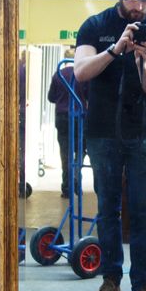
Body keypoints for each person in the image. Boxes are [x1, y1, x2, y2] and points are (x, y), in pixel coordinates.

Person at [74, 0, 146, 291]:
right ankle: (110, 283)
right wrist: (116, 49)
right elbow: (81, 72)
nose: (140, 6)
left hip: (144, 133)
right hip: (102, 132)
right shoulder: (95, 25)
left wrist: (142, 62)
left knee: (143, 213)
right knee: (108, 211)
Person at [48, 60, 87, 198]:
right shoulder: (83, 74)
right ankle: (76, 177)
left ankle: (66, 188)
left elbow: (50, 97)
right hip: (79, 117)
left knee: (65, 153)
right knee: (81, 149)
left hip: (62, 117)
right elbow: (88, 96)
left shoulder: (59, 74)